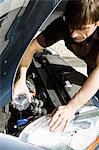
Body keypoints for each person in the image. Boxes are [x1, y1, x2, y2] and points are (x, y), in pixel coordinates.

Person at [14, 0, 99, 132]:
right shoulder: (63, 24)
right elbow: (31, 48)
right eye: (71, 26)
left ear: (97, 22)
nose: (73, 34)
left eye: (82, 28)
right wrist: (21, 79)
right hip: (92, 68)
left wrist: (71, 107)